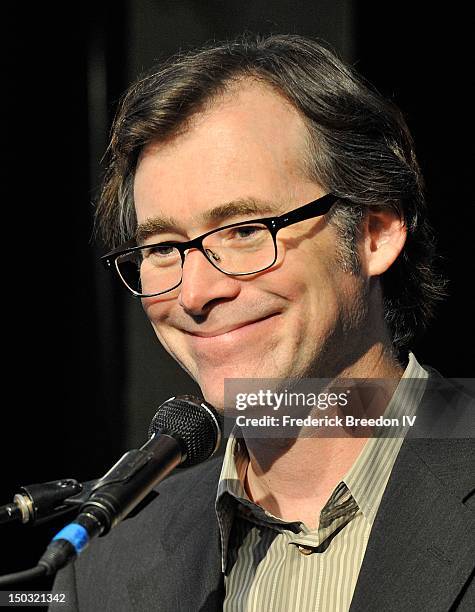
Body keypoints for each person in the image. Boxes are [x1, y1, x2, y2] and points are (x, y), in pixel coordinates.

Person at [51, 33, 474, 611]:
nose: (197, 293)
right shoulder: (104, 565)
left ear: (375, 233)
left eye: (246, 231)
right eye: (163, 248)